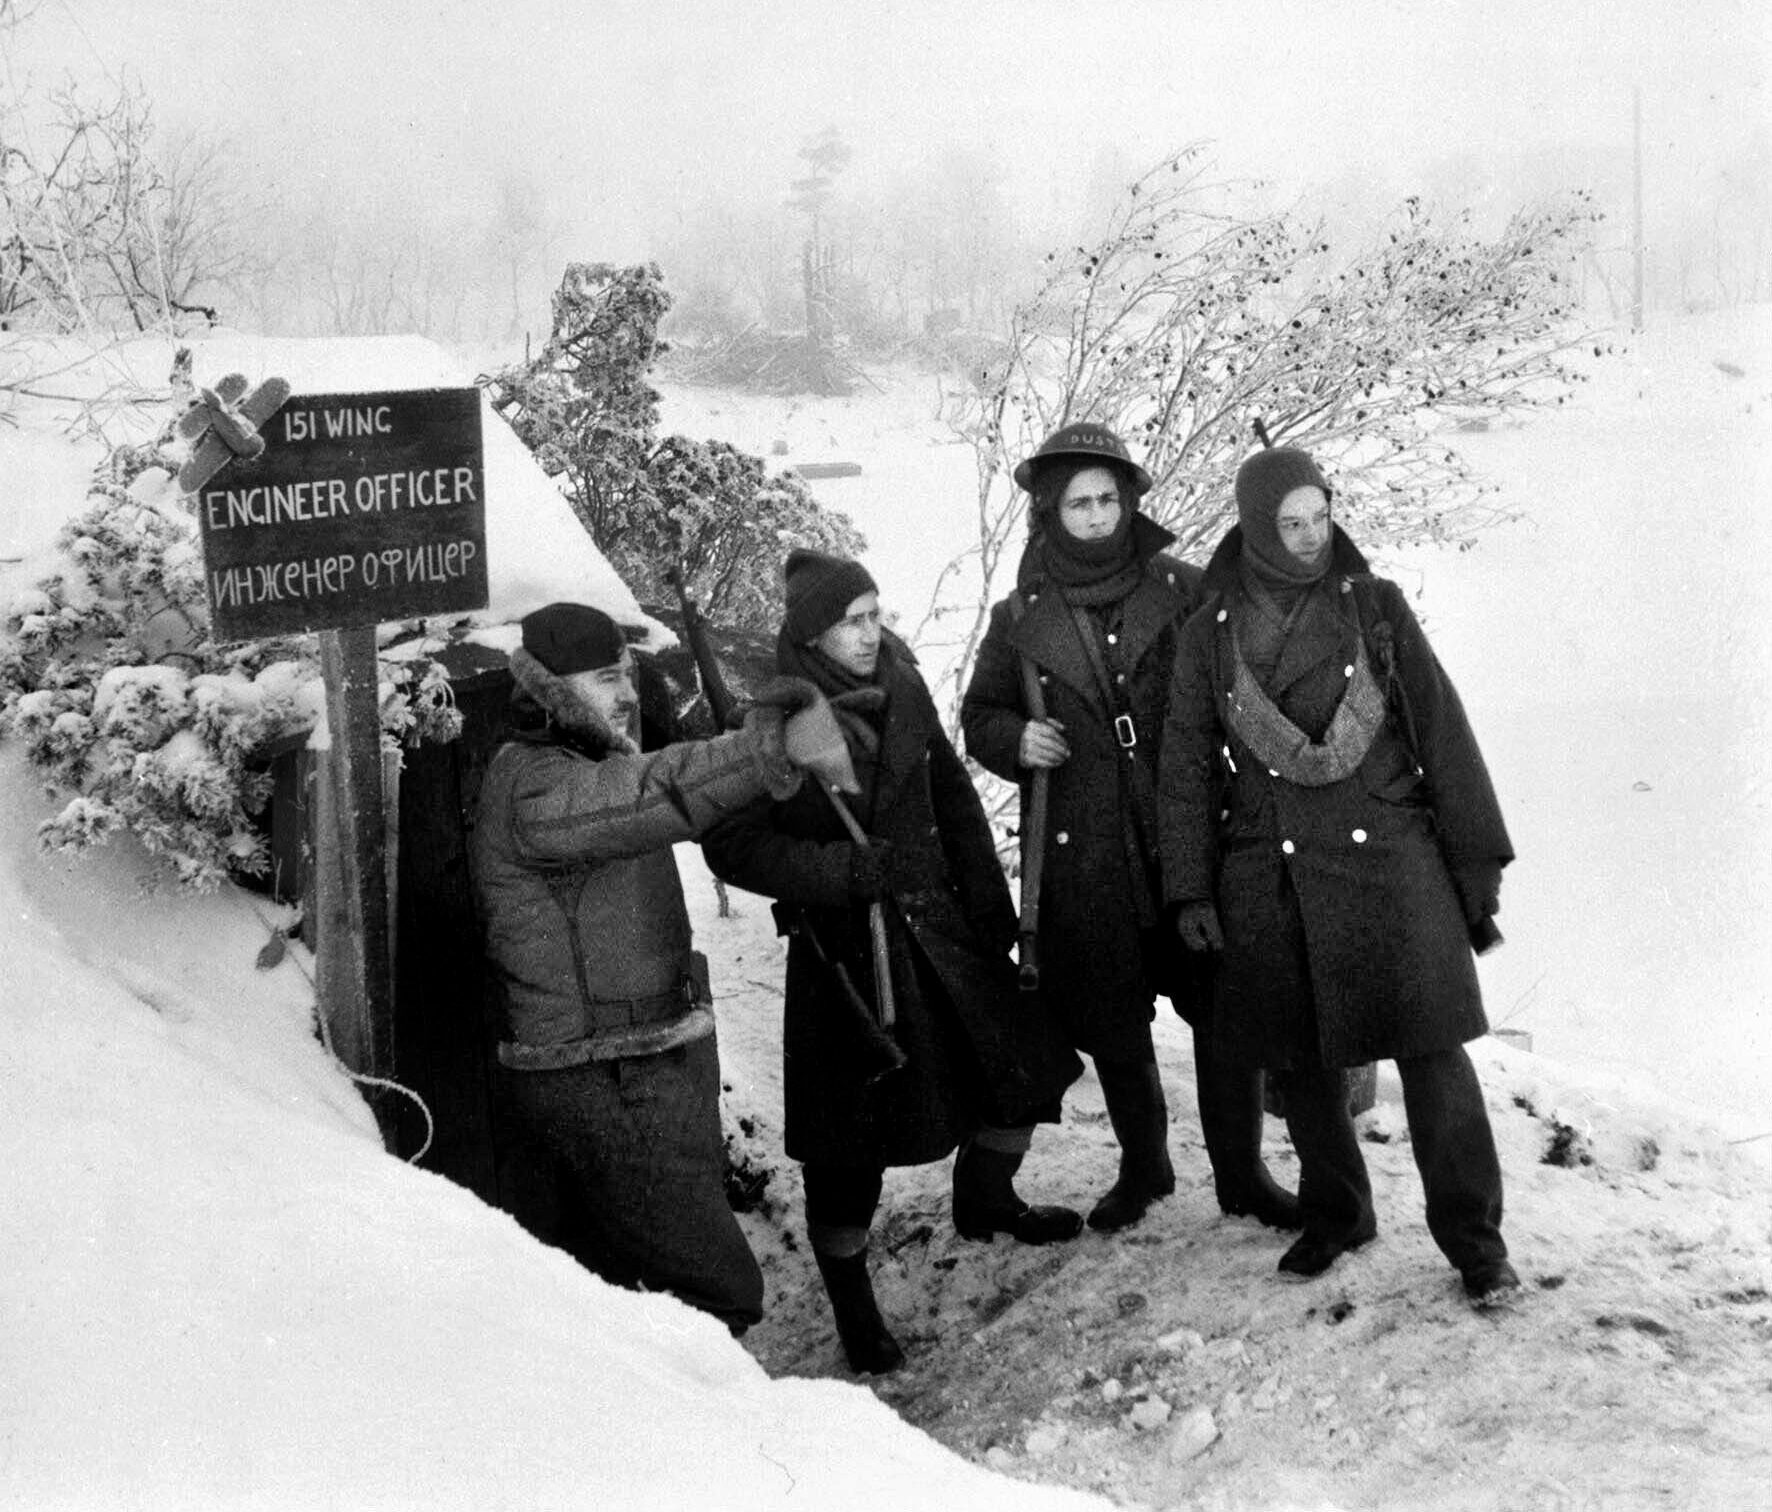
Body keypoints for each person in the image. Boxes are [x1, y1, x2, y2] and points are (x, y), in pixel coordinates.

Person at [703, 550, 1084, 1375]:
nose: (872, 632)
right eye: (853, 620)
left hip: (941, 923)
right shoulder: (768, 722)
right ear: (813, 634)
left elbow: (951, 795)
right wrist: (840, 874)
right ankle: (852, 1300)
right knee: (853, 1141)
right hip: (847, 954)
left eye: (876, 614)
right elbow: (730, 844)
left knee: (1021, 1061)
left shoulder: (905, 685)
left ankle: (986, 1201)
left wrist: (994, 910)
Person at [1157, 444, 1521, 1306]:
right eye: (1290, 524)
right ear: (1255, 528)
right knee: (1300, 1059)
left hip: (1393, 861)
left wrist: (1475, 858)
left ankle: (1475, 1244)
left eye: (1320, 517)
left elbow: (1443, 732)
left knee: (1434, 1057)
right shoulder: (1208, 634)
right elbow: (1183, 767)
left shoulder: (1376, 609)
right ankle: (1339, 1212)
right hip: (1267, 864)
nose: (1312, 537)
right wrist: (1191, 887)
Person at [961, 422, 1300, 1234]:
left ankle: (1242, 1175)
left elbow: (1247, 689)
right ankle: (1145, 1167)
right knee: (1113, 1018)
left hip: (1188, 836)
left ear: (1131, 501)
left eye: (1108, 497)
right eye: (1078, 502)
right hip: (1085, 853)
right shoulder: (1018, 618)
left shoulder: (1184, 591)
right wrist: (1017, 741)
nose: (1096, 514)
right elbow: (979, 715)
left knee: (1222, 1007)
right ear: (1050, 512)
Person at [472, 600, 829, 1335]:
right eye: (607, 678)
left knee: (616, 1290)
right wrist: (763, 749)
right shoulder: (536, 785)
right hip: (606, 1075)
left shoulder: (585, 762)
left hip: (637, 1063)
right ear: (554, 688)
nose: (628, 694)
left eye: (628, 674)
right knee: (718, 1291)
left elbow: (669, 775)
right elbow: (655, 795)